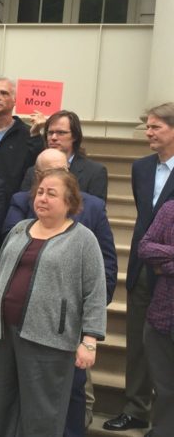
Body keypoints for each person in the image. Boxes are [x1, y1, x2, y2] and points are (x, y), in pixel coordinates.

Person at [0, 168, 106, 436]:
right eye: (39, 192)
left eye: (51, 194)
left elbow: (95, 291)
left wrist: (89, 340)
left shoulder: (83, 239)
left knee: (42, 413)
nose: (42, 198)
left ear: (69, 202)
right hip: (5, 334)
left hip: (50, 338)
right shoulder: (19, 229)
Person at [4, 148, 117, 436]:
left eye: (61, 170)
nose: (45, 194)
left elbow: (102, 270)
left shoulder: (91, 209)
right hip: (20, 324)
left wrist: (87, 328)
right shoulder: (22, 215)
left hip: (66, 325)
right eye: (43, 177)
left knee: (69, 395)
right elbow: (4, 266)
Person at [103, 102, 174, 433]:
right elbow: (146, 221)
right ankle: (136, 408)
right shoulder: (140, 168)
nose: (148, 132)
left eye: (156, 126)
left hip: (171, 273)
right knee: (137, 342)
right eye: (148, 126)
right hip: (142, 266)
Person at [138, 199, 174, 437]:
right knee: (165, 390)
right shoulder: (170, 208)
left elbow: (156, 256)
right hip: (162, 316)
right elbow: (145, 247)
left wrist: (165, 266)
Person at [0, 76, 45, 199]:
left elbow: (35, 167)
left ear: (15, 100)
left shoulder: (26, 133)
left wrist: (35, 135)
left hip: (11, 202)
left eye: (4, 93)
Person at [20, 110, 108, 201]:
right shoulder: (33, 172)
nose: (53, 138)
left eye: (61, 133)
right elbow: (23, 204)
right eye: (50, 133)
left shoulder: (95, 172)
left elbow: (96, 211)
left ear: (75, 136)